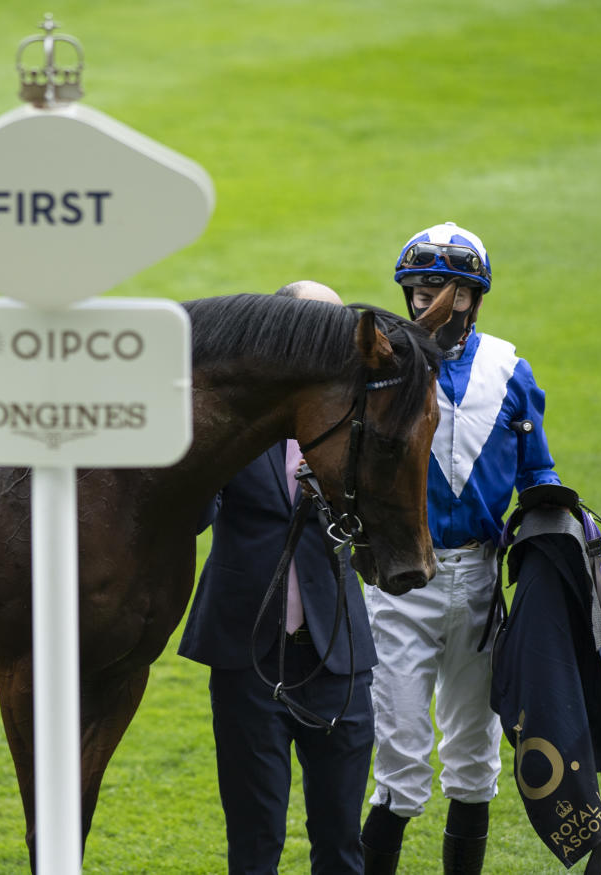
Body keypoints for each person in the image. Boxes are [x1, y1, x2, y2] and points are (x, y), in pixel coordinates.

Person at [359, 223, 560, 875]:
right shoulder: (381, 363)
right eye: (417, 291)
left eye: (445, 289)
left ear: (474, 296)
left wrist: (559, 529)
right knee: (400, 765)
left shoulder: (509, 369)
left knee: (474, 760)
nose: (428, 303)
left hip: (479, 585)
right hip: (397, 583)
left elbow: (538, 472)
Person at [180, 280, 378, 874]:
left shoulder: (358, 425)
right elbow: (191, 517)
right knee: (254, 844)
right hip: (247, 657)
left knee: (342, 843)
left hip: (337, 659)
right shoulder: (238, 419)